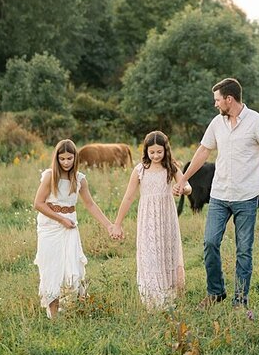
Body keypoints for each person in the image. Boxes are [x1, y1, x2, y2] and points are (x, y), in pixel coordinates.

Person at [176, 78, 259, 311]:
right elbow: (203, 151)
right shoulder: (217, 123)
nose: (215, 104)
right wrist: (184, 179)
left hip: (247, 198)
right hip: (218, 195)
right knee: (209, 242)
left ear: (229, 99)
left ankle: (240, 301)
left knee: (244, 251)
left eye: (217, 100)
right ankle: (215, 292)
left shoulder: (257, 122)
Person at [33, 139, 122, 318]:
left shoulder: (79, 179)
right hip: (50, 225)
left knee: (72, 265)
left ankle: (77, 306)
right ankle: (53, 314)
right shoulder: (50, 176)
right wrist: (60, 219)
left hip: (70, 224)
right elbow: (38, 203)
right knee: (52, 266)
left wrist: (109, 225)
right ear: (57, 159)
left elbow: (90, 204)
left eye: (69, 158)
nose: (66, 162)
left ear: (75, 158)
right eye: (62, 159)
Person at [111, 131, 191, 310]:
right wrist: (117, 223)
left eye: (159, 152)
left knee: (167, 254)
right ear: (146, 151)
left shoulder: (171, 167)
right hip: (148, 219)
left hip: (167, 218)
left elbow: (187, 186)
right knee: (150, 255)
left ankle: (169, 297)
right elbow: (128, 198)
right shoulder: (140, 170)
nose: (155, 156)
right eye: (152, 152)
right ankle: (153, 299)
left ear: (166, 150)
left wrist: (182, 189)